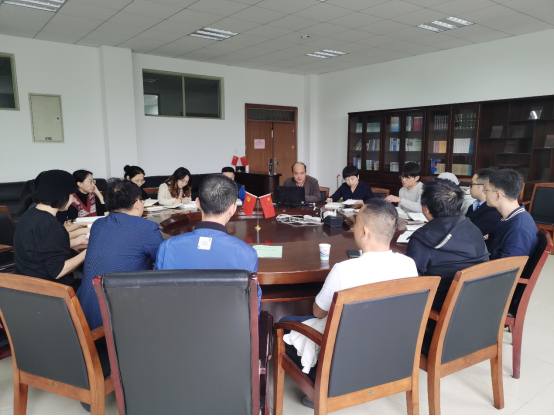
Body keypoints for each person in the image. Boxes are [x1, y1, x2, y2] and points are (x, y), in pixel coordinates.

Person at [283, 199, 419, 409]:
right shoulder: (408, 265)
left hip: (348, 356)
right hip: (390, 350)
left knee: (286, 323)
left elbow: (318, 312)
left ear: (365, 232)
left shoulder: (344, 270)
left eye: (355, 224)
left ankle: (321, 386)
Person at [155, 174, 262, 309]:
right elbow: (252, 306)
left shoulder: (167, 247)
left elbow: (156, 295)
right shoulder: (246, 252)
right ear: (232, 209)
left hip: (174, 320)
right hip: (226, 322)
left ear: (198, 203)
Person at [78, 179, 164, 330]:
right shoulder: (147, 228)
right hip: (116, 322)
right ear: (137, 203)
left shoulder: (98, 224)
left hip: (84, 315)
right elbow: (162, 263)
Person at [406, 178, 489, 311]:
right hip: (477, 304)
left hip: (437, 310)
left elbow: (411, 282)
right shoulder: (473, 228)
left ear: (426, 209)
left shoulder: (422, 239)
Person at [14, 170, 89, 290]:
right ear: (62, 195)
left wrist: (78, 241)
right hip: (51, 291)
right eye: (71, 195)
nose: (72, 200)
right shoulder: (51, 225)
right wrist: (88, 251)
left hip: (26, 286)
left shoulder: (29, 215)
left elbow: (42, 248)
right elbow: (58, 271)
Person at [484, 169, 539, 260]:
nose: (484, 193)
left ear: (498, 195)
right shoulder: (512, 216)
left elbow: (510, 267)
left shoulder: (518, 229)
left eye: (486, 190)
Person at [466, 169, 502, 251]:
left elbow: (467, 234)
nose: (469, 187)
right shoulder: (473, 206)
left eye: (472, 184)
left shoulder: (493, 211)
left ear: (484, 187)